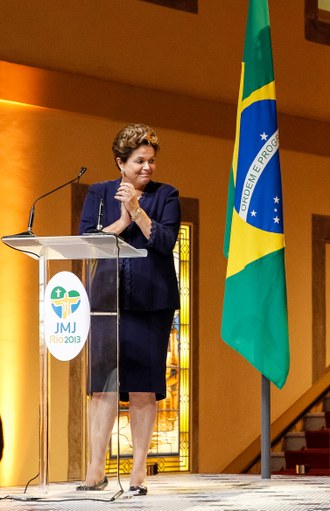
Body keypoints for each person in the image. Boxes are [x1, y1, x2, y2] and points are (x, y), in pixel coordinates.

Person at [77, 123, 180, 495]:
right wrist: (121, 221)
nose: (147, 168)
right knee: (102, 387)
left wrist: (137, 210)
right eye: (139, 161)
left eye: (151, 160)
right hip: (106, 301)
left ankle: (138, 471)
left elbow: (165, 241)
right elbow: (87, 240)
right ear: (121, 162)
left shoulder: (166, 195)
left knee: (143, 387)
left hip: (152, 302)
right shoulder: (100, 193)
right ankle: (94, 470)